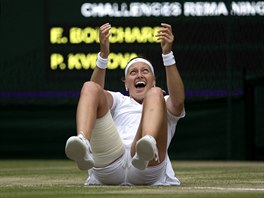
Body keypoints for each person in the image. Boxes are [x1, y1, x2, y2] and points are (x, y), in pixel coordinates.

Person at [65, 22, 185, 185]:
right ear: (126, 84)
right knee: (89, 87)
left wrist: (167, 54)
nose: (139, 75)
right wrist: (103, 55)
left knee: (155, 94)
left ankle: (148, 143)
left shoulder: (162, 99)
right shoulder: (118, 100)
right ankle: (83, 142)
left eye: (145, 71)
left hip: (148, 166)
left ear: (154, 81)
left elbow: (178, 102)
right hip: (110, 163)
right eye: (133, 72)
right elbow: (93, 95)